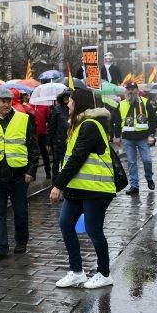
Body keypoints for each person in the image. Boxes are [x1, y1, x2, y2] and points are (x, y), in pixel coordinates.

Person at [50, 88, 116, 289]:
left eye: (70, 101)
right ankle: (77, 271)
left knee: (93, 230)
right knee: (65, 223)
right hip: (77, 188)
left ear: (78, 103)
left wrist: (57, 186)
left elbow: (77, 158)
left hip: (96, 188)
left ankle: (104, 273)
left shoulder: (90, 125)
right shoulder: (77, 125)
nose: (67, 104)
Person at [0, 87, 39, 263]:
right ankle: (0, 247)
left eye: (9, 101)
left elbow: (33, 148)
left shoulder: (23, 119)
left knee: (20, 210)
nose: (6, 104)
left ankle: (21, 240)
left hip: (18, 175)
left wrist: (31, 171)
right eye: (2, 101)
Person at [112, 82, 157, 195]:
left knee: (147, 160)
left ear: (137, 90)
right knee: (132, 163)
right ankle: (134, 186)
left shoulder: (145, 102)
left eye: (133, 89)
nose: (131, 91)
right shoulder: (121, 104)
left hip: (143, 137)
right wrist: (116, 136)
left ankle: (149, 178)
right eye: (128, 89)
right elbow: (116, 121)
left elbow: (153, 119)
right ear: (125, 91)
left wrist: (151, 134)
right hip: (128, 139)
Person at [47, 90, 71, 182]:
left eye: (68, 97)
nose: (66, 99)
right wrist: (48, 142)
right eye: (64, 97)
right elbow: (51, 126)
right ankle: (55, 183)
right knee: (57, 163)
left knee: (68, 164)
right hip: (58, 142)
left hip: (70, 142)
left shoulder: (74, 109)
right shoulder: (57, 109)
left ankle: (65, 184)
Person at [32, 103, 51, 178]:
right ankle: (33, 173)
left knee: (44, 153)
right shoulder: (30, 106)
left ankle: (48, 171)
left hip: (42, 134)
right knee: (34, 155)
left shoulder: (45, 106)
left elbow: (48, 118)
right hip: (33, 134)